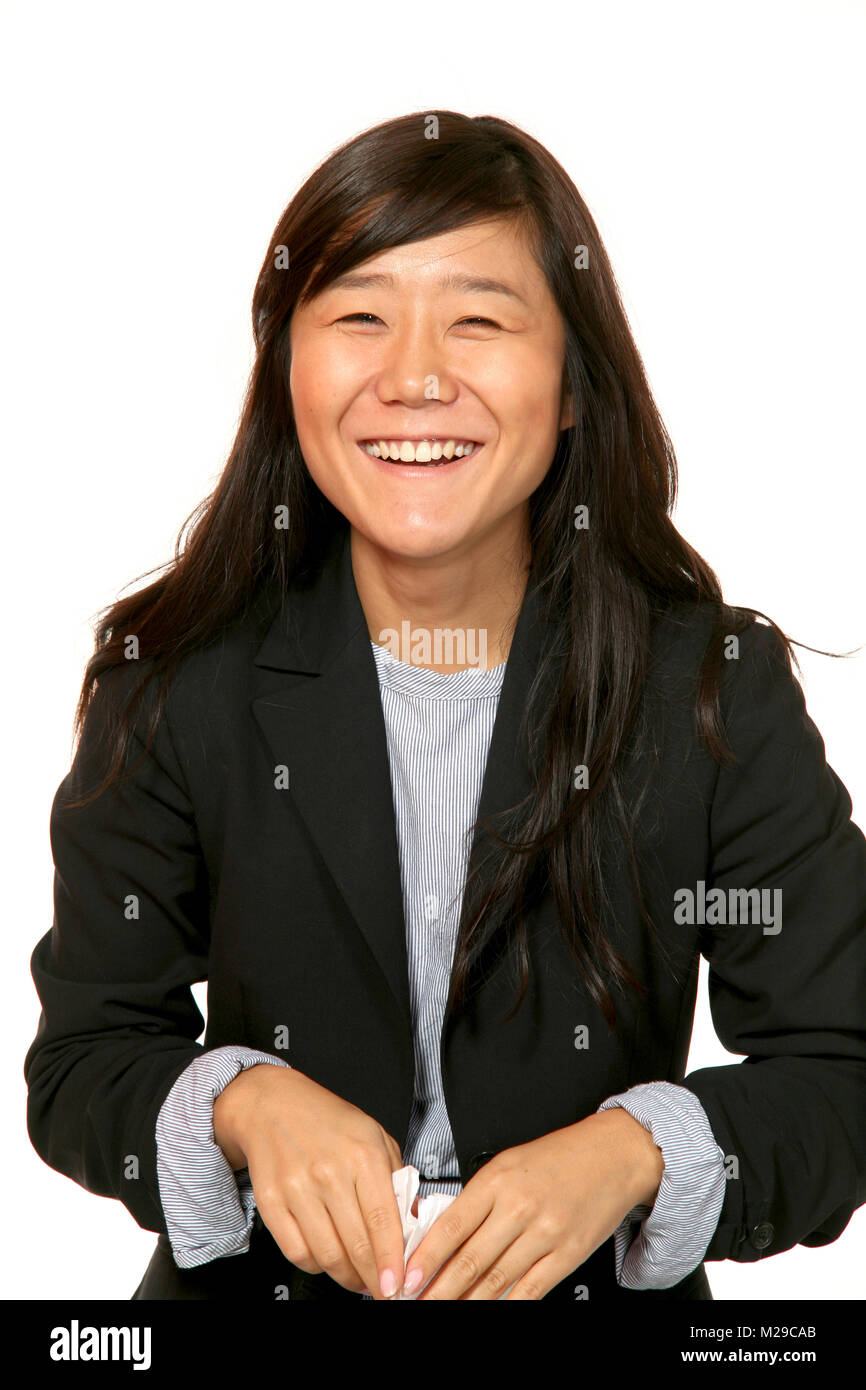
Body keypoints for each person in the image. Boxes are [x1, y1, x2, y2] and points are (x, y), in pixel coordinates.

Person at [24, 109, 866, 1303]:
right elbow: (83, 1060)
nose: (414, 375)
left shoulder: (708, 689)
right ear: (286, 370)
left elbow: (839, 1065)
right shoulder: (174, 680)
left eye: (477, 319)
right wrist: (242, 1102)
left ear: (574, 386)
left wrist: (628, 1152)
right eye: (358, 315)